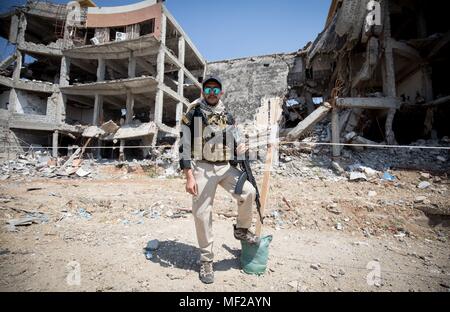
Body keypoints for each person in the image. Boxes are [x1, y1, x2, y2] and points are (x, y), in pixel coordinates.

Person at [179, 76, 259, 284]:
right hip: (202, 167)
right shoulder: (193, 113)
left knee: (248, 192)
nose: (212, 93)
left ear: (221, 93)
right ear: (203, 93)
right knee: (202, 214)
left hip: (225, 167)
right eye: (208, 90)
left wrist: (242, 147)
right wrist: (188, 176)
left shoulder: (228, 116)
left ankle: (241, 229)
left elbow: (238, 139)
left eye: (216, 90)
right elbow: (185, 146)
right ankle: (206, 260)